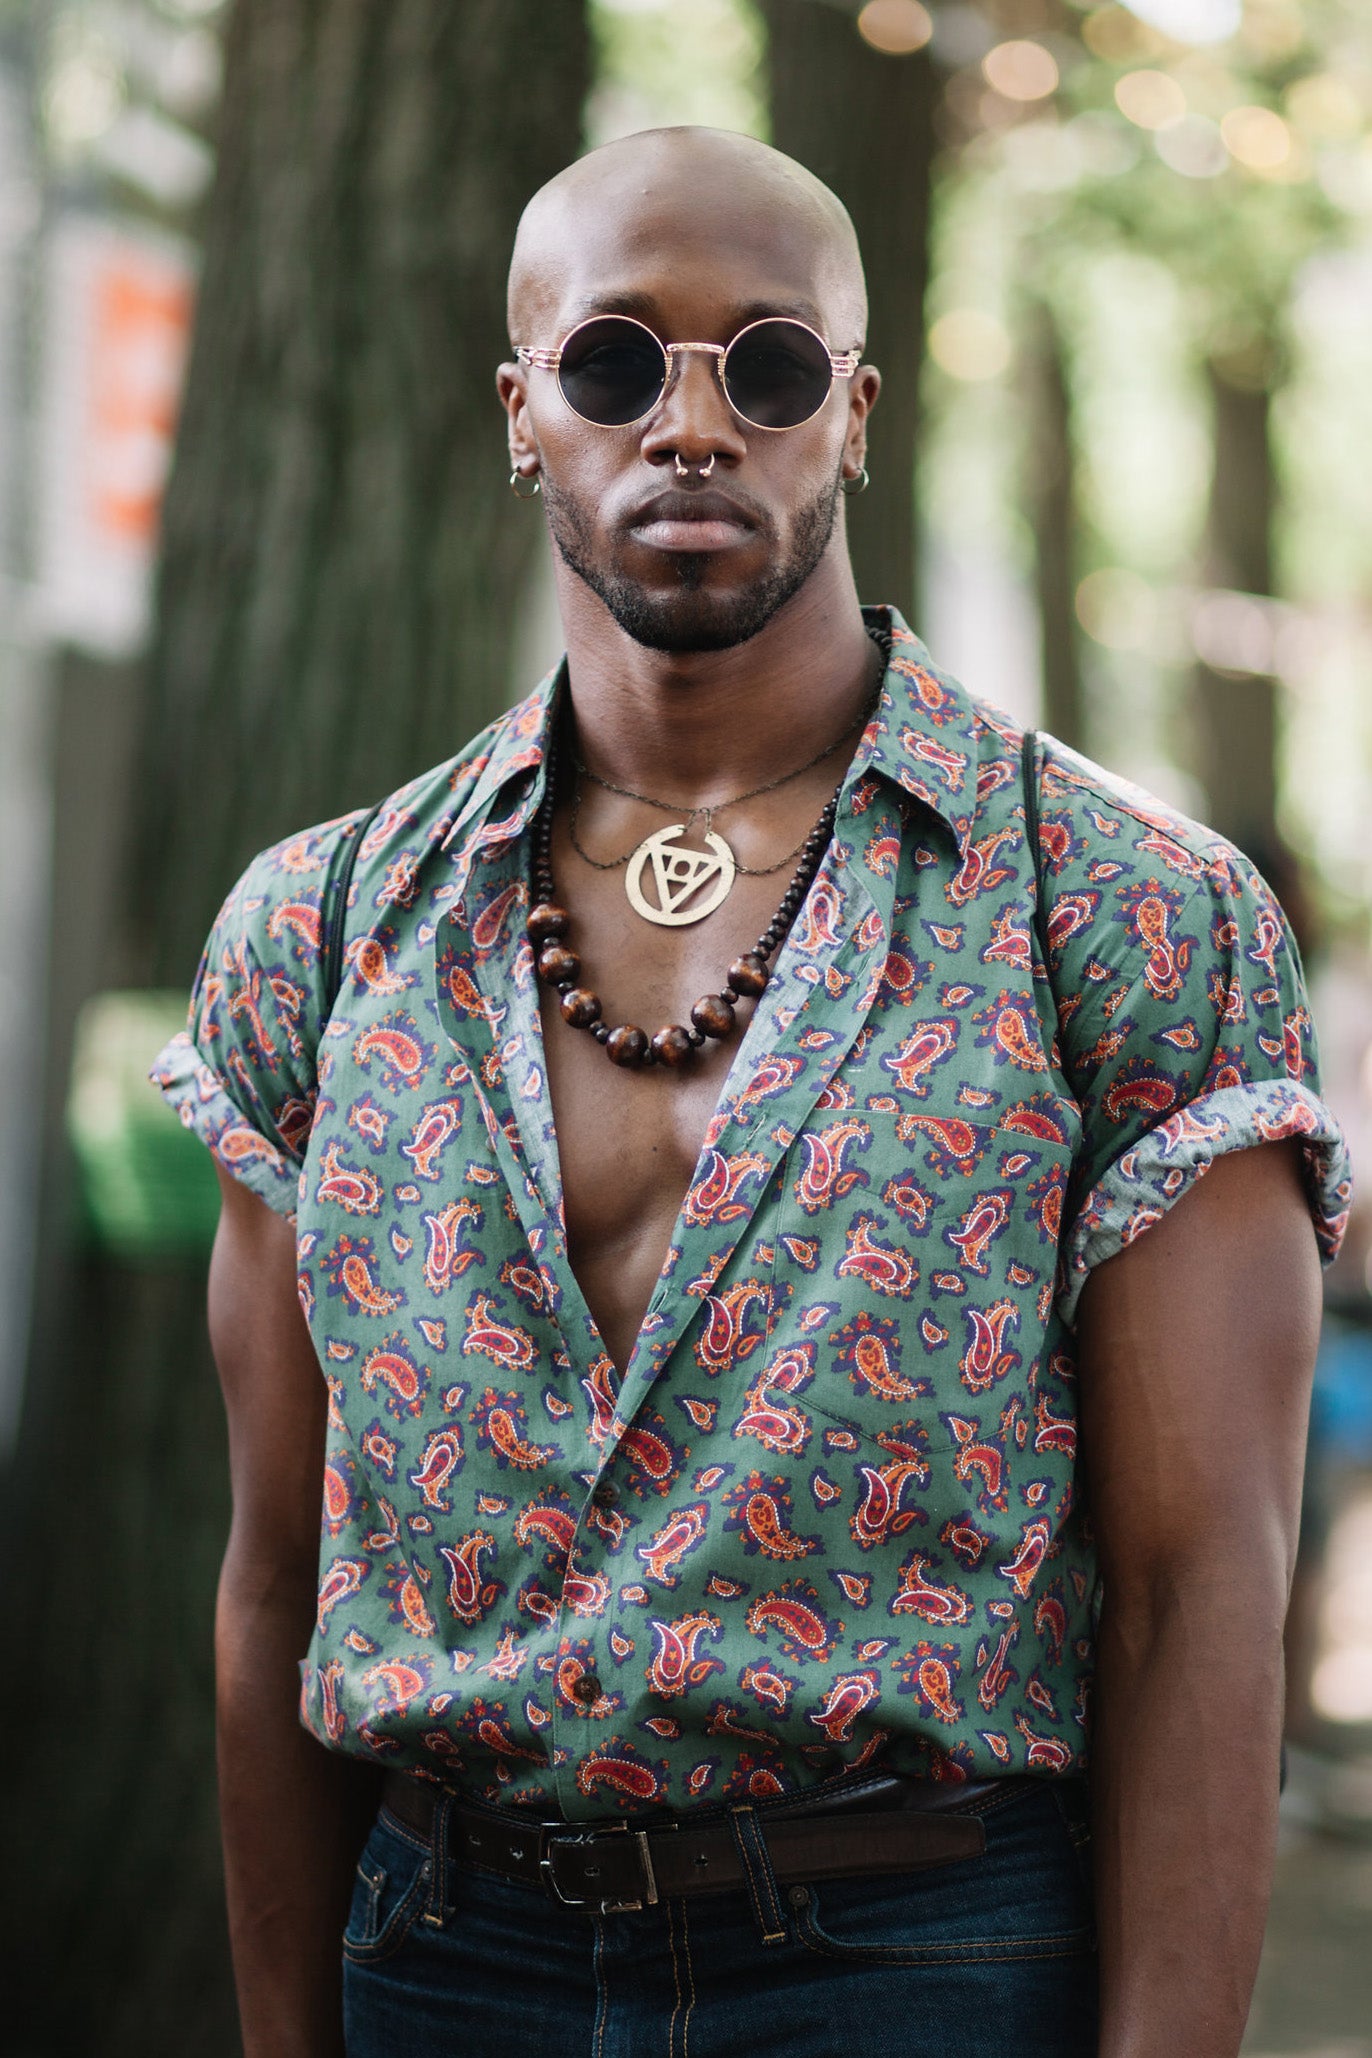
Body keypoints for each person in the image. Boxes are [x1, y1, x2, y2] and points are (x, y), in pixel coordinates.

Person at [153, 126, 1350, 2058]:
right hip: (444, 1955)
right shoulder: (324, 926)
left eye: (768, 365)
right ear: (523, 410)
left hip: (921, 1954)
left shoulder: (1119, 911)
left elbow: (1202, 1586)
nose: (691, 423)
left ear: (855, 416)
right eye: (618, 361)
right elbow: (276, 1569)